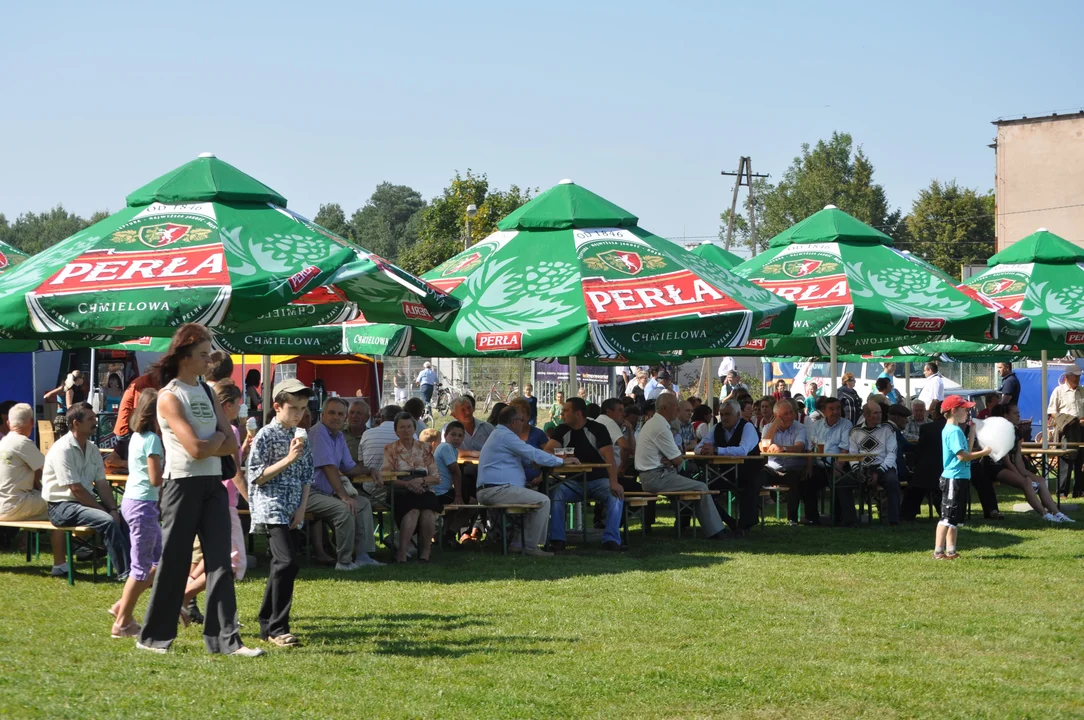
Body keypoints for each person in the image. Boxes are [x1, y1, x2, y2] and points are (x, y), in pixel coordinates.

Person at [137, 324, 255, 657]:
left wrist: (214, 442)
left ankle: (227, 642)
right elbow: (195, 449)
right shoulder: (169, 396)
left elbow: (229, 441)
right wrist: (216, 441)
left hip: (214, 484)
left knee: (221, 562)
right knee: (174, 562)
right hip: (182, 485)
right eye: (203, 354)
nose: (209, 360)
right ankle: (153, 638)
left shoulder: (205, 390)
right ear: (185, 356)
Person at [246, 379, 313, 648]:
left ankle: (266, 621)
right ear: (277, 407)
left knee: (281, 565)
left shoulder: (301, 435)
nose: (299, 414)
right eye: (293, 408)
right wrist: (288, 459)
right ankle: (278, 627)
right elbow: (256, 477)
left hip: (292, 506)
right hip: (271, 504)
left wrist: (302, 507)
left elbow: (308, 474)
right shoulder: (265, 435)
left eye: (303, 409)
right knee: (286, 562)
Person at [42, 401, 131, 580]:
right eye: (90, 419)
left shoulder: (92, 449)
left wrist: (113, 509)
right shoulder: (62, 449)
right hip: (60, 507)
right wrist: (104, 511)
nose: (95, 422)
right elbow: (76, 489)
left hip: (82, 504)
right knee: (106, 520)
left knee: (124, 518)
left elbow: (102, 484)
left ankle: (136, 568)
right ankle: (126, 574)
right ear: (76, 423)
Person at [477, 405, 572, 556]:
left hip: (496, 489)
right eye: (522, 420)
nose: (524, 423)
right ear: (514, 422)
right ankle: (531, 547)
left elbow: (516, 458)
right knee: (543, 501)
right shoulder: (505, 436)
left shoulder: (500, 434)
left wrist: (532, 462)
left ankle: (517, 544)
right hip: (497, 489)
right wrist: (562, 462)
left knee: (534, 502)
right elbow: (532, 452)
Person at [635, 393, 729, 539]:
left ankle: (707, 527)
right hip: (657, 477)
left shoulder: (656, 423)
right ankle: (717, 532)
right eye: (676, 406)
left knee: (697, 486)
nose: (677, 410)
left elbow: (677, 455)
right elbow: (678, 460)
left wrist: (674, 457)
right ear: (665, 408)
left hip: (655, 475)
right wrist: (674, 458)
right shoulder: (660, 427)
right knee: (701, 487)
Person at [110, 389, 164, 638]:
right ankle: (122, 622)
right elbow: (155, 478)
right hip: (143, 504)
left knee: (158, 561)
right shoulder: (152, 438)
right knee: (141, 567)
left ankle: (123, 607)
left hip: (134, 501)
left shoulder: (136, 437)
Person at [307, 397, 383, 570]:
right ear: (323, 414)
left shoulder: (338, 435)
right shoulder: (319, 432)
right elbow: (328, 467)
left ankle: (363, 556)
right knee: (345, 508)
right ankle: (344, 561)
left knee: (363, 504)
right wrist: (343, 496)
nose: (336, 417)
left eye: (340, 414)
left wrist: (370, 470)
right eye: (332, 413)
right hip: (309, 493)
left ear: (345, 417)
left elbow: (349, 467)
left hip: (325, 492)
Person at [544, 397, 625, 552]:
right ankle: (557, 540)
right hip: (573, 482)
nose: (562, 415)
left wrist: (614, 482)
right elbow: (547, 450)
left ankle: (611, 540)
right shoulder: (561, 430)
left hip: (599, 480)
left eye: (566, 411)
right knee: (556, 494)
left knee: (616, 495)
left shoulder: (597, 429)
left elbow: (610, 458)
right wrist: (564, 458)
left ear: (578, 413)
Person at [0, 403, 67, 575]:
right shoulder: (23, 443)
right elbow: (49, 470)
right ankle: (62, 562)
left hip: (4, 504)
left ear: (8, 423)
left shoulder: (3, 442)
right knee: (63, 504)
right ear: (32, 422)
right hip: (16, 504)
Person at [988, 403, 1074, 522]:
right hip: (995, 467)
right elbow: (1006, 460)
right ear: (1006, 416)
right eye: (1015, 413)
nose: (1019, 416)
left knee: (1040, 480)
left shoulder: (1016, 431)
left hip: (1009, 465)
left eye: (1019, 413)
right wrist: (1022, 476)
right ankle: (1045, 515)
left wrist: (1024, 472)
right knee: (1026, 482)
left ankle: (1057, 514)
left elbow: (1018, 457)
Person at [935, 396, 992, 560]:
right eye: (965, 409)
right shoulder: (953, 431)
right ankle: (939, 551)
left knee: (955, 517)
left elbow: (965, 449)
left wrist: (972, 432)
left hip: (960, 477)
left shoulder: (956, 430)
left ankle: (951, 551)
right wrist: (983, 453)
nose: (968, 412)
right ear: (954, 411)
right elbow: (962, 456)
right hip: (953, 478)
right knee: (947, 515)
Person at [382, 412, 441, 563]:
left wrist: (419, 481)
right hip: (401, 491)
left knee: (428, 511)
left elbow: (435, 477)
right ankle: (402, 552)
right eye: (402, 427)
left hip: (424, 489)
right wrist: (408, 484)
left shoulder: (426, 448)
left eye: (409, 427)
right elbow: (387, 477)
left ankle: (425, 552)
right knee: (413, 511)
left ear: (414, 429)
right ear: (396, 430)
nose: (406, 430)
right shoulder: (390, 449)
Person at [696, 399, 762, 534]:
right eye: (722, 414)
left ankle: (744, 526)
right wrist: (704, 450)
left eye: (727, 414)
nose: (724, 418)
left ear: (738, 414)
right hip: (727, 474)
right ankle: (729, 521)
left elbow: (742, 450)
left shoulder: (747, 427)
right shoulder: (717, 428)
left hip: (749, 472)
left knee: (749, 488)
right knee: (704, 491)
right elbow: (698, 447)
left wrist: (716, 450)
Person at [213, 381, 251, 581]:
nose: (239, 407)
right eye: (238, 403)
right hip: (227, 499)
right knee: (236, 562)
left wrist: (243, 448)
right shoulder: (231, 430)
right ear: (228, 405)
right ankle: (187, 596)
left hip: (211, 496)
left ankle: (187, 597)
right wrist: (252, 502)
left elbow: (227, 462)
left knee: (211, 556)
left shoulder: (210, 428)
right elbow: (235, 471)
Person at [804, 397, 856, 526]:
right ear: (824, 411)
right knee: (807, 482)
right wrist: (809, 467)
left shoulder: (846, 424)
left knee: (839, 482)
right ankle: (812, 518)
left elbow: (845, 449)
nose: (835, 412)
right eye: (831, 409)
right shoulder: (816, 425)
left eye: (838, 408)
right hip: (821, 465)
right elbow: (811, 447)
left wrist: (838, 468)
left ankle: (839, 519)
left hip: (838, 465)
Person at [848, 402, 901, 525]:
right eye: (875, 413)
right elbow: (852, 454)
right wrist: (857, 470)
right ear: (866, 415)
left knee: (892, 482)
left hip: (883, 466)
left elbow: (892, 454)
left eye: (880, 412)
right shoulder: (855, 431)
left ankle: (894, 520)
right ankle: (849, 519)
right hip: (862, 466)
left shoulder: (888, 429)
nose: (879, 416)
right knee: (843, 483)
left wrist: (879, 471)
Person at [760, 399, 807, 525]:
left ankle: (792, 519)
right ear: (776, 416)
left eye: (791, 412)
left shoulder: (800, 427)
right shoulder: (767, 427)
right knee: (756, 478)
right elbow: (763, 447)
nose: (790, 416)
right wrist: (775, 425)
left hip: (793, 468)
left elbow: (799, 447)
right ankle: (753, 516)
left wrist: (783, 448)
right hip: (772, 469)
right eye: (785, 414)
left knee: (794, 479)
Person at [1047, 365, 1084, 497]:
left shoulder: (1082, 390)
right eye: (1075, 375)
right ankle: (1062, 491)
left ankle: (1079, 490)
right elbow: (1051, 412)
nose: (1078, 378)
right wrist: (1066, 421)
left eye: (1079, 376)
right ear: (1067, 376)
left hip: (1082, 429)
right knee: (1065, 460)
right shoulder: (1058, 391)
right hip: (1067, 430)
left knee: (1081, 460)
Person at [114, 372, 161, 439]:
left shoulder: (143, 382)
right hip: (126, 430)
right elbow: (142, 412)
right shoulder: (143, 384)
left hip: (128, 429)